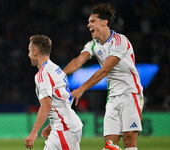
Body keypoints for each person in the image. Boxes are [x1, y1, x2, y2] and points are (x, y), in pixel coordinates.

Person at [63, 3, 144, 150]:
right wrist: (60, 74)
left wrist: (81, 89)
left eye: (92, 21)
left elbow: (104, 70)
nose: (88, 25)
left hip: (130, 93)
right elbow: (78, 61)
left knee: (129, 142)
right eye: (88, 22)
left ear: (104, 22)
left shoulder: (120, 41)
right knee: (110, 145)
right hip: (113, 97)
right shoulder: (93, 45)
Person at [25, 35, 83, 150]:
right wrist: (51, 124)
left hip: (64, 128)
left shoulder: (42, 74)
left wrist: (33, 132)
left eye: (29, 51)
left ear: (35, 51)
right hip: (70, 125)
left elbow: (46, 105)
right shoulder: (57, 69)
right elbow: (64, 100)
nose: (28, 55)